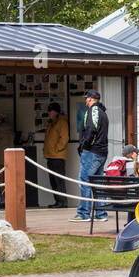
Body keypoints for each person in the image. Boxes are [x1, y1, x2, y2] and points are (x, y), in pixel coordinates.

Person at [74, 89, 110, 222]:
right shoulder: (103, 112)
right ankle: (101, 214)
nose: (85, 101)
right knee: (98, 183)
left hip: (92, 152)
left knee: (84, 181)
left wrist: (84, 146)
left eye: (86, 99)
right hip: (102, 152)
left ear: (90, 99)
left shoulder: (93, 111)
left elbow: (91, 129)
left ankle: (84, 213)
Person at [43, 102, 69, 208]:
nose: (49, 113)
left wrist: (56, 149)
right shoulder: (51, 123)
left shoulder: (62, 123)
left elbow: (64, 138)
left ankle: (63, 202)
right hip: (50, 156)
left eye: (51, 111)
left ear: (56, 112)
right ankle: (58, 201)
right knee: (53, 182)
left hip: (57, 156)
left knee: (59, 181)